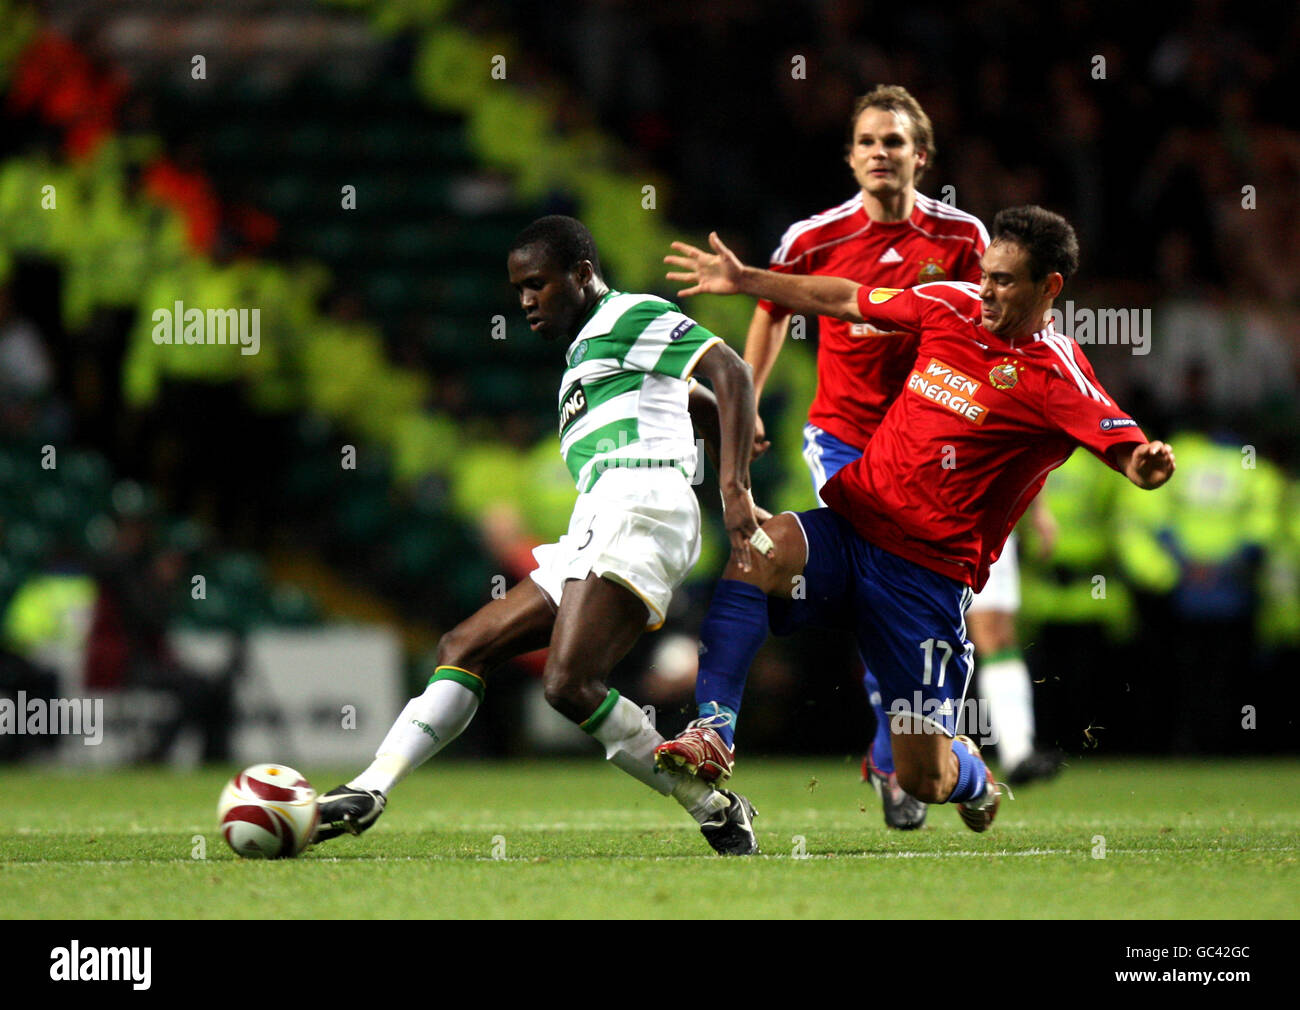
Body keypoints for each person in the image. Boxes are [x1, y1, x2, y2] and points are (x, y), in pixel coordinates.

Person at [656, 206, 1175, 830]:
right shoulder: (948, 304)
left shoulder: (1056, 373)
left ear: (1050, 288)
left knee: (922, 779)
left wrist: (1143, 463)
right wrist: (750, 280)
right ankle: (713, 732)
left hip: (925, 582)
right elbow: (846, 297)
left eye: (1006, 281)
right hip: (855, 528)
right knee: (756, 550)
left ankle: (974, 776)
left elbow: (1123, 446)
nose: (985, 289)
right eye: (986, 274)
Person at [657, 86, 1049, 828]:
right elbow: (775, 310)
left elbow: (999, 326)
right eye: (867, 141)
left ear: (921, 156)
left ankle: (912, 756)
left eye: (894, 142)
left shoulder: (964, 237)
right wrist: (753, 403)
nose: (880, 153)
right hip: (846, 438)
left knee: (906, 599)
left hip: (940, 451)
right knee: (842, 574)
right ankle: (849, 751)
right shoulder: (815, 236)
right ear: (850, 155)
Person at [313, 215, 765, 855]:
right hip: (598, 514)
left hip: (640, 502)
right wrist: (725, 430)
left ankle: (712, 807)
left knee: (567, 684)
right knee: (464, 644)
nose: (525, 300)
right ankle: (370, 788)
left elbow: (733, 370)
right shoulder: (588, 352)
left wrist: (736, 489)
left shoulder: (628, 314)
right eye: (519, 288)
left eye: (538, 284)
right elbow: (695, 399)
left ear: (582, 274)